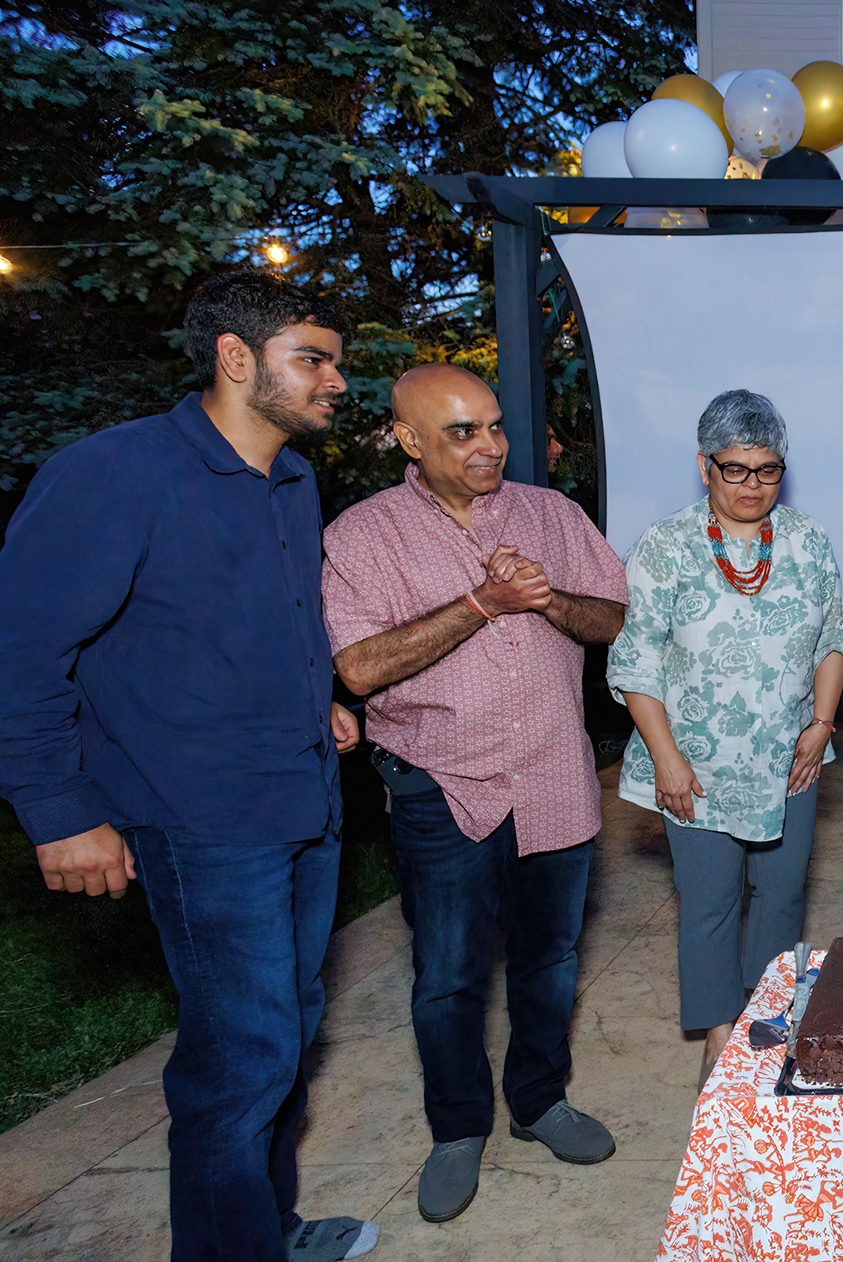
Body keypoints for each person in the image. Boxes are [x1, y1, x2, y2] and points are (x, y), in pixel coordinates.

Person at [0, 270, 377, 1262]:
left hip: (303, 799)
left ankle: (267, 1228)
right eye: (314, 359)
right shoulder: (113, 473)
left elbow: (266, 618)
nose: (337, 381)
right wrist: (58, 811)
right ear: (234, 357)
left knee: (285, 1033)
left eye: (336, 361)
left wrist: (317, 696)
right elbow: (21, 651)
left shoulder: (292, 480)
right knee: (240, 1060)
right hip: (201, 818)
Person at [322, 364, 629, 1224]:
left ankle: (539, 1101)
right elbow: (360, 667)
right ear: (409, 440)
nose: (490, 445)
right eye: (462, 432)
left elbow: (612, 618)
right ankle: (458, 1129)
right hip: (441, 785)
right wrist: (484, 602)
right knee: (449, 976)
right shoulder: (362, 535)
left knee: (549, 959)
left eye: (494, 425)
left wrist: (547, 598)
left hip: (554, 771)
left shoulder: (551, 513)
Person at [607, 390, 843, 1085]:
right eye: (735, 469)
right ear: (704, 467)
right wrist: (667, 761)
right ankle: (721, 1039)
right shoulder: (666, 546)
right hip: (696, 762)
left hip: (790, 756)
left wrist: (821, 724)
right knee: (711, 903)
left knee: (781, 896)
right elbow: (635, 663)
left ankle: (764, 1022)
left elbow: (834, 639)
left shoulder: (806, 540)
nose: (752, 485)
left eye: (767, 470)